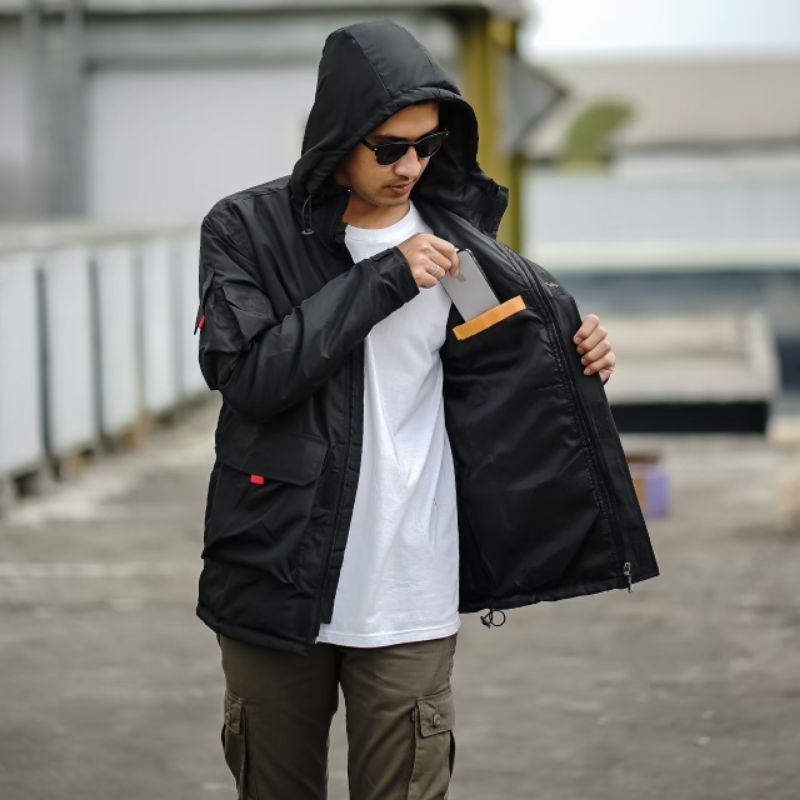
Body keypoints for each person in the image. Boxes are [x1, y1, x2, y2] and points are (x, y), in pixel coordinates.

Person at [194, 18, 658, 800]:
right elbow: (251, 377)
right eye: (390, 148)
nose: (411, 166)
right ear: (338, 136)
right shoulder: (247, 231)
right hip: (275, 574)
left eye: (428, 146)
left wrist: (577, 358)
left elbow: (505, 372)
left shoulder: (454, 250)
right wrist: (385, 277)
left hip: (410, 583)